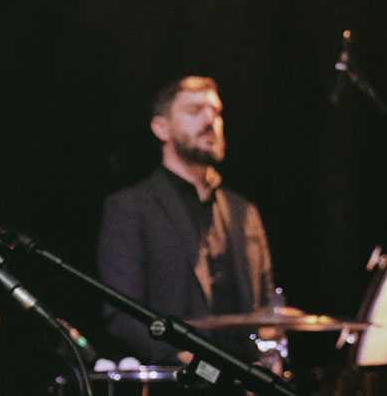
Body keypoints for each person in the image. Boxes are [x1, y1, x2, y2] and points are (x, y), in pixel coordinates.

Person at [95, 76, 274, 367]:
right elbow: (122, 314)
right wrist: (193, 365)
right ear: (160, 128)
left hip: (247, 380)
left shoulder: (244, 211)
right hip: (180, 381)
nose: (210, 120)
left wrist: (270, 356)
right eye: (195, 111)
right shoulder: (130, 208)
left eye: (216, 112)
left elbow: (267, 308)